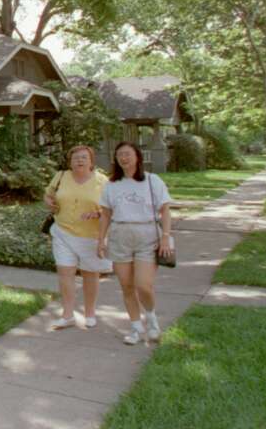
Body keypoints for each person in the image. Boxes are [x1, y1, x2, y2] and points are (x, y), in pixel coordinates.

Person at [97, 141, 174, 344]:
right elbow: (105, 215)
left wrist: (165, 237)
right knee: (126, 286)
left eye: (128, 154)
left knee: (143, 285)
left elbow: (165, 210)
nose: (124, 158)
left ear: (137, 157)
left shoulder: (152, 181)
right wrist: (101, 240)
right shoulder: (111, 185)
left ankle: (151, 320)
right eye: (120, 154)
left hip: (147, 234)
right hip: (120, 235)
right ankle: (135, 328)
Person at [44, 145, 112, 330]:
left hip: (90, 236)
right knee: (65, 273)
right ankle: (67, 315)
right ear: (70, 161)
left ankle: (90, 313)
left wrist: (98, 213)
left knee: (90, 274)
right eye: (75, 158)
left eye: (84, 157)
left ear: (91, 161)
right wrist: (49, 202)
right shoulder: (61, 176)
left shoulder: (102, 181)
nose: (79, 160)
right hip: (63, 232)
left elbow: (110, 208)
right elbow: (48, 195)